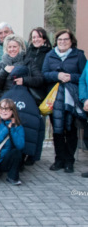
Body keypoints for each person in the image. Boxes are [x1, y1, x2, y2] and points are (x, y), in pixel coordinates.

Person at [42, 29, 87, 173]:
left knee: (71, 130)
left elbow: (84, 76)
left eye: (66, 39)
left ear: (71, 41)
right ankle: (59, 159)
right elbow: (44, 74)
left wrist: (70, 77)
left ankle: (69, 161)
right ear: (56, 41)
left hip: (72, 99)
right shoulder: (50, 55)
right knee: (58, 130)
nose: (62, 42)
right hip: (55, 99)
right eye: (60, 39)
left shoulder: (79, 55)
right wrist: (57, 75)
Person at [1, 66, 45, 166]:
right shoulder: (33, 97)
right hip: (26, 148)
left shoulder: (7, 96)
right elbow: (39, 129)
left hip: (7, 148)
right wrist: (34, 156)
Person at [24, 27, 52, 105]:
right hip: (29, 89)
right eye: (34, 37)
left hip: (44, 90)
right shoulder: (27, 52)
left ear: (44, 39)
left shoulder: (50, 53)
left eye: (39, 37)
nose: (36, 39)